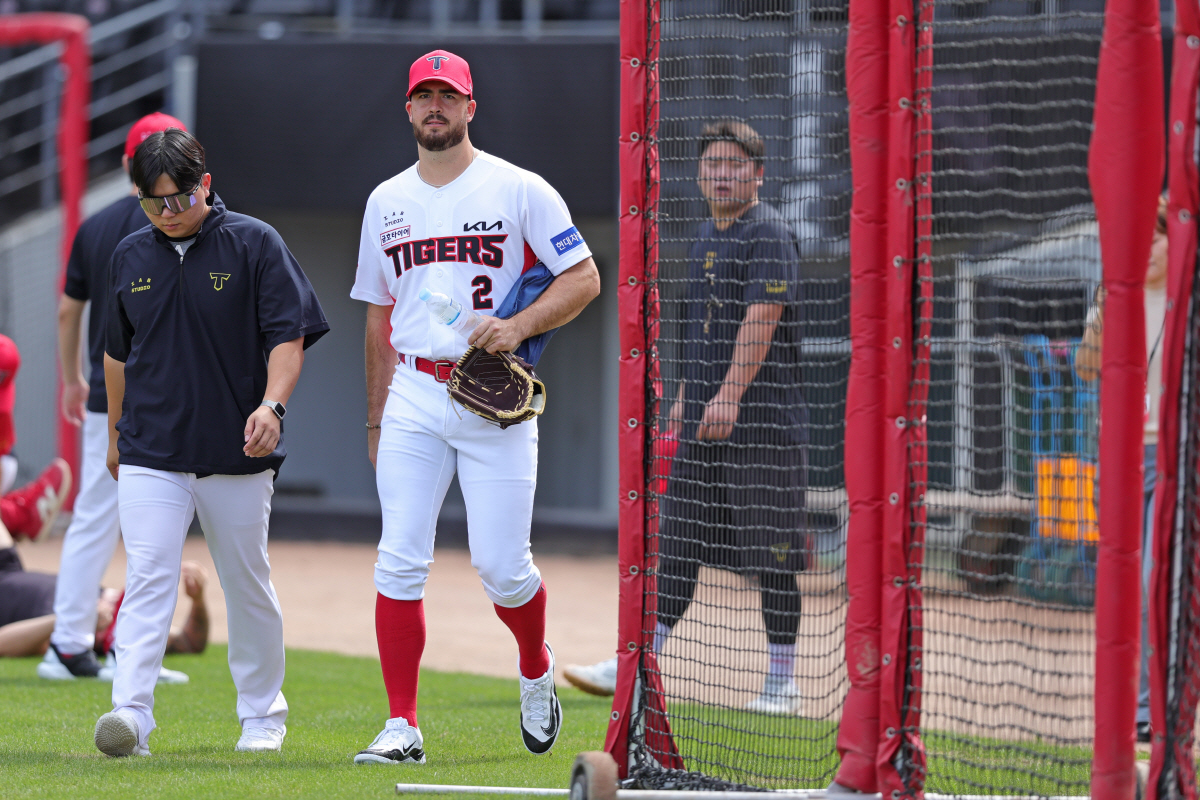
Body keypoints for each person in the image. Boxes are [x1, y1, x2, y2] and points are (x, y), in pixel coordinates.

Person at [350, 50, 601, 764]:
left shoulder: (519, 189)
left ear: (469, 108)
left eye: (447, 95)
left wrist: (519, 327)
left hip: (495, 399)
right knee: (398, 561)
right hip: (414, 393)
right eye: (422, 95)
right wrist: (375, 416)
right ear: (407, 109)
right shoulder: (386, 201)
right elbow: (377, 318)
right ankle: (403, 726)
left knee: (503, 567)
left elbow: (582, 278)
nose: (435, 106)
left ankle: (533, 666)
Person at [94, 128, 329, 758]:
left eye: (179, 199)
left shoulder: (255, 243)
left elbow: (288, 337)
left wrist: (272, 406)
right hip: (150, 450)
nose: (168, 214)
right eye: (153, 202)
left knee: (246, 581)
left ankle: (262, 717)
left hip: (238, 453)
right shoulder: (128, 256)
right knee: (147, 577)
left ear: (206, 183)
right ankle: (130, 716)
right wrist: (117, 435)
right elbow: (117, 357)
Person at [563, 120, 806, 716]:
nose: (722, 173)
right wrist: (686, 399)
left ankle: (784, 682)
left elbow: (761, 318)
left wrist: (726, 396)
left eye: (735, 163)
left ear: (758, 173)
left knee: (771, 555)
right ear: (699, 174)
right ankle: (639, 665)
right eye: (712, 164)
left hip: (763, 428)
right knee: (676, 548)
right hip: (703, 424)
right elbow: (695, 329)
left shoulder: (769, 233)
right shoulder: (701, 236)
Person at [45, 112, 189, 682]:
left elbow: (66, 309)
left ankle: (71, 643)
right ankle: (104, 651)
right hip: (164, 395)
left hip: (107, 394)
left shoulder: (95, 225)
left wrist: (71, 379)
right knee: (155, 531)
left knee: (96, 521)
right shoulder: (185, 222)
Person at [1073, 192, 1167, 743]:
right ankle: (1134, 711)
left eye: (1156, 237)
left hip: (1174, 457)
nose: (1146, 249)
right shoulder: (1119, 292)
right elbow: (1087, 369)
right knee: (1125, 584)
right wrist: (1107, 312)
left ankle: (1155, 707)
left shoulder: (1185, 297)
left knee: (1157, 576)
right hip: (1122, 456)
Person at [0, 557, 209, 663]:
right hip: (10, 567)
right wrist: (197, 600)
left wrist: (75, 618)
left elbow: (2, 643)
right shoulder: (124, 607)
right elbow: (189, 642)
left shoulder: (72, 640)